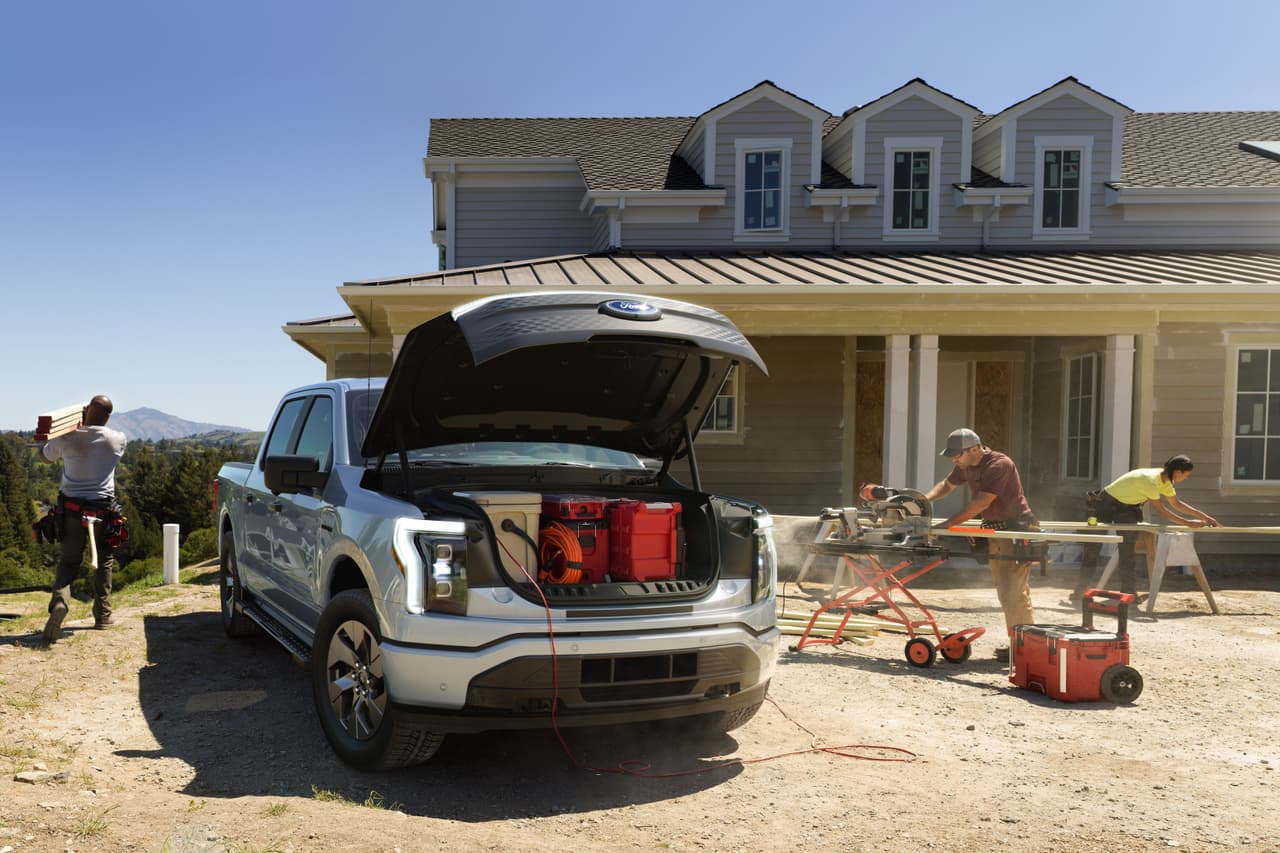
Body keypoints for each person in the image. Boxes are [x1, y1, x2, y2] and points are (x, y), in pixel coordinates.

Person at [924, 428, 1038, 662]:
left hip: (1016, 529)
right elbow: (947, 485)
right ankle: (1020, 644)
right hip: (996, 529)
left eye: (958, 455)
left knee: (1013, 592)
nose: (954, 460)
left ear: (974, 449)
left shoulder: (999, 464)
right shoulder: (966, 464)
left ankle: (1025, 649)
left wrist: (949, 524)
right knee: (1005, 591)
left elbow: (980, 502)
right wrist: (923, 500)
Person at [1070, 455, 1219, 605]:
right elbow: (1161, 510)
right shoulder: (1151, 481)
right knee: (1093, 548)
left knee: (1127, 551)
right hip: (1106, 503)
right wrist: (1187, 523)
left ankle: (1128, 592)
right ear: (1178, 472)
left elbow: (1176, 504)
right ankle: (1080, 590)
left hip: (1128, 508)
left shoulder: (1166, 481)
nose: (1186, 478)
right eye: (1186, 475)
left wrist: (1205, 517)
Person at [39, 395, 127, 643]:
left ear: (86, 410)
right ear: (108, 416)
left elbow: (44, 457)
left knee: (68, 563)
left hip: (71, 511)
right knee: (104, 561)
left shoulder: (66, 437)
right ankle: (103, 615)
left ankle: (60, 603)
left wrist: (65, 430)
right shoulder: (117, 439)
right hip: (102, 511)